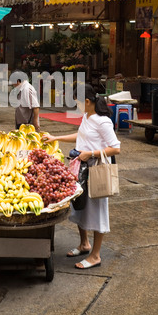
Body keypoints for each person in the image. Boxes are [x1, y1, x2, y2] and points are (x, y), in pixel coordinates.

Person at [44, 84, 120, 270]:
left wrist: (91, 153)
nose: (76, 105)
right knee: (80, 205)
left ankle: (95, 255)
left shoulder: (103, 121)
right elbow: (81, 135)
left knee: (97, 210)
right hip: (83, 167)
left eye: (77, 102)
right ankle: (84, 244)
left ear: (88, 101)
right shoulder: (87, 116)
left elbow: (115, 147)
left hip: (96, 170)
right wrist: (56, 138)